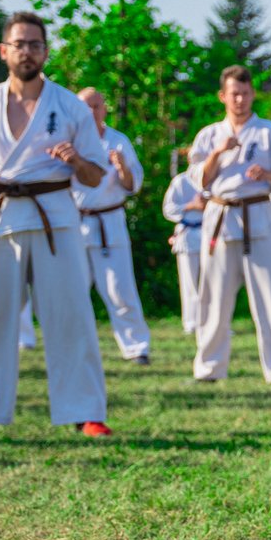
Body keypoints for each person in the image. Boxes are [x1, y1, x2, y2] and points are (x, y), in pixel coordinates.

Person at [0, 11, 113, 437]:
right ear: (4, 51)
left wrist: (75, 161)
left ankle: (86, 410)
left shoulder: (69, 105)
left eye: (35, 44)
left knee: (71, 315)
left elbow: (95, 175)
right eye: (19, 44)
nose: (27, 51)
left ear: (46, 52)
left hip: (56, 218)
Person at [189, 65, 271, 384]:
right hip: (221, 217)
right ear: (222, 96)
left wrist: (267, 176)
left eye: (244, 93)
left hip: (259, 216)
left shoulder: (270, 132)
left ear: (253, 94)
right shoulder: (209, 135)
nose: (239, 99)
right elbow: (198, 180)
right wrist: (216, 153)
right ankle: (209, 368)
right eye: (233, 94)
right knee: (213, 297)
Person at [70, 87, 153, 365]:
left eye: (96, 106)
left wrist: (122, 169)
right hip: (75, 222)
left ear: (104, 109)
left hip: (109, 221)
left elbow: (133, 185)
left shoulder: (118, 141)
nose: (91, 112)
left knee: (120, 289)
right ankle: (75, 350)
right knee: (73, 291)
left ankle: (136, 347)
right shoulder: (68, 141)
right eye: (85, 106)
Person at [162, 167, 205, 335]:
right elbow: (169, 209)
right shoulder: (181, 181)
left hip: (210, 234)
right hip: (187, 235)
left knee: (212, 282)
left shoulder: (213, 179)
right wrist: (192, 205)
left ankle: (212, 321)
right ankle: (191, 322)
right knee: (190, 283)